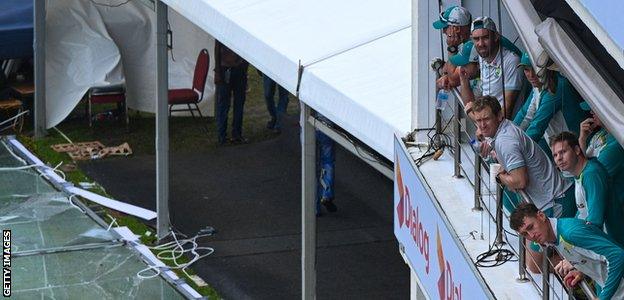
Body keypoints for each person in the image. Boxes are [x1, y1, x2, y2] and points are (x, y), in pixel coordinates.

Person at [471, 96, 575, 273]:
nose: (482, 125)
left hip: (556, 200)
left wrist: (499, 176)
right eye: (478, 120)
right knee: (534, 259)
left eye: (486, 119)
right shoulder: (504, 130)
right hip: (548, 199)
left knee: (535, 265)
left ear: (499, 116)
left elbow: (519, 181)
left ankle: (583, 272)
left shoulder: (505, 141)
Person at [510, 203, 624, 299]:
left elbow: (617, 256)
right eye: (525, 234)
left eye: (531, 227)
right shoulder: (554, 237)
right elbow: (594, 255)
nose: (531, 236)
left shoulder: (570, 233)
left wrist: (604, 297)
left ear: (541, 216)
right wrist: (581, 269)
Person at [550, 132, 624, 246]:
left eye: (563, 152)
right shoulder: (581, 174)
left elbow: (595, 221)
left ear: (577, 150)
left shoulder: (591, 174)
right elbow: (582, 213)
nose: (559, 158)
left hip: (612, 243)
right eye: (555, 155)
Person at [512, 53, 586, 156]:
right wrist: (506, 138)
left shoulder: (556, 86)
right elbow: (525, 115)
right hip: (561, 151)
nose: (531, 75)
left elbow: (537, 127)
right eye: (526, 70)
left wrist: (514, 152)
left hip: (577, 150)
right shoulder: (538, 86)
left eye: (534, 68)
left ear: (545, 67)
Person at [465, 17, 522, 119]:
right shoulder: (482, 55)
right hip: (488, 124)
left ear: (496, 36)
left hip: (504, 127)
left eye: (485, 37)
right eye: (476, 39)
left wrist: (472, 115)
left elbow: (507, 109)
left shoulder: (511, 60)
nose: (481, 44)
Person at [214, 40, 249, 145]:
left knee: (237, 103)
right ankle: (223, 136)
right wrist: (218, 71)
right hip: (226, 69)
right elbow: (217, 48)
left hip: (238, 70)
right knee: (224, 104)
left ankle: (235, 134)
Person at [432, 5, 473, 89]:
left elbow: (453, 79)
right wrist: (446, 74)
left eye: (446, 27)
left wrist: (452, 48)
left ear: (456, 29)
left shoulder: (473, 44)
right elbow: (446, 69)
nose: (443, 31)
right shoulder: (465, 40)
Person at [315, 114, 337, 216]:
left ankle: (314, 207)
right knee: (328, 162)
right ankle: (326, 194)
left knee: (311, 167)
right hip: (326, 126)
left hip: (307, 125)